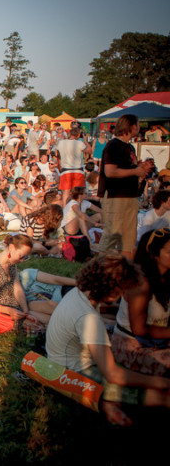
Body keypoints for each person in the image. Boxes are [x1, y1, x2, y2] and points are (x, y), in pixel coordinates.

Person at [46, 253, 170, 426]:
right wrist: (162, 382)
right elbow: (113, 375)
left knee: (137, 378)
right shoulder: (88, 318)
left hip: (63, 359)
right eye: (125, 290)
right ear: (113, 292)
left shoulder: (79, 293)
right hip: (70, 371)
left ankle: (109, 405)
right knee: (158, 394)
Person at [112, 229, 170, 376]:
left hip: (158, 342)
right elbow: (139, 330)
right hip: (131, 346)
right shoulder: (141, 283)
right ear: (154, 254)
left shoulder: (165, 277)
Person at [99, 114, 151, 259]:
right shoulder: (113, 145)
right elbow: (110, 171)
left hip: (129, 195)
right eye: (138, 125)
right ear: (132, 126)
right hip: (115, 195)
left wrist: (139, 168)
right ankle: (100, 271)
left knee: (129, 238)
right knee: (112, 234)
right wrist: (135, 170)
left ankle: (126, 271)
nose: (139, 128)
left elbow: (127, 168)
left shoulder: (129, 147)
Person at [55, 128, 91, 206]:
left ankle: (65, 210)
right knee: (77, 192)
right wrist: (85, 140)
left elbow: (58, 155)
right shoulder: (79, 143)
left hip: (66, 170)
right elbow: (89, 151)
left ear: (70, 134)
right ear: (78, 135)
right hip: (78, 170)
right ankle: (78, 208)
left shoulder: (61, 143)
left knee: (66, 192)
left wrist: (59, 165)